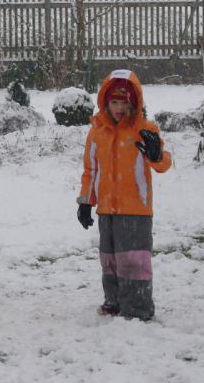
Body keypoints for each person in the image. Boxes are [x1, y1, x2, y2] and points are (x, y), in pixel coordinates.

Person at [76, 69, 171, 321]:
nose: (119, 108)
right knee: (109, 259)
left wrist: (156, 155)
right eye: (114, 102)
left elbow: (163, 164)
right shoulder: (97, 132)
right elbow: (90, 170)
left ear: (134, 102)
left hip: (135, 208)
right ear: (105, 102)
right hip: (107, 209)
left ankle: (137, 308)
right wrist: (86, 202)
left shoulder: (144, 129)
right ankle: (114, 301)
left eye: (124, 102)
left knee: (134, 261)